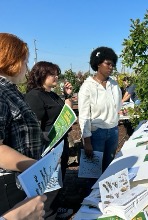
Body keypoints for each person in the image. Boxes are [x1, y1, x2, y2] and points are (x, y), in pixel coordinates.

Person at [0, 33, 44, 215]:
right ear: (12, 61)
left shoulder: (11, 91)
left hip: (20, 179)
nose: (27, 67)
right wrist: (35, 166)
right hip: (8, 185)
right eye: (25, 61)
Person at [25, 61, 73, 219]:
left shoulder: (51, 94)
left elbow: (59, 114)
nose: (56, 76)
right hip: (49, 147)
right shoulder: (34, 96)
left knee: (58, 181)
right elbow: (34, 129)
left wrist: (66, 97)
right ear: (41, 75)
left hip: (60, 142)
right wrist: (50, 146)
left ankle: (54, 209)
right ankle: (47, 215)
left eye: (56, 73)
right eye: (52, 73)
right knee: (49, 186)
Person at [78, 46, 122, 174]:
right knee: (94, 170)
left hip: (113, 131)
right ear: (98, 64)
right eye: (107, 64)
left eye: (112, 64)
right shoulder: (87, 87)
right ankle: (92, 193)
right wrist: (87, 141)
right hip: (96, 133)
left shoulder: (114, 85)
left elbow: (117, 107)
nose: (111, 67)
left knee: (109, 167)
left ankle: (107, 193)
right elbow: (84, 116)